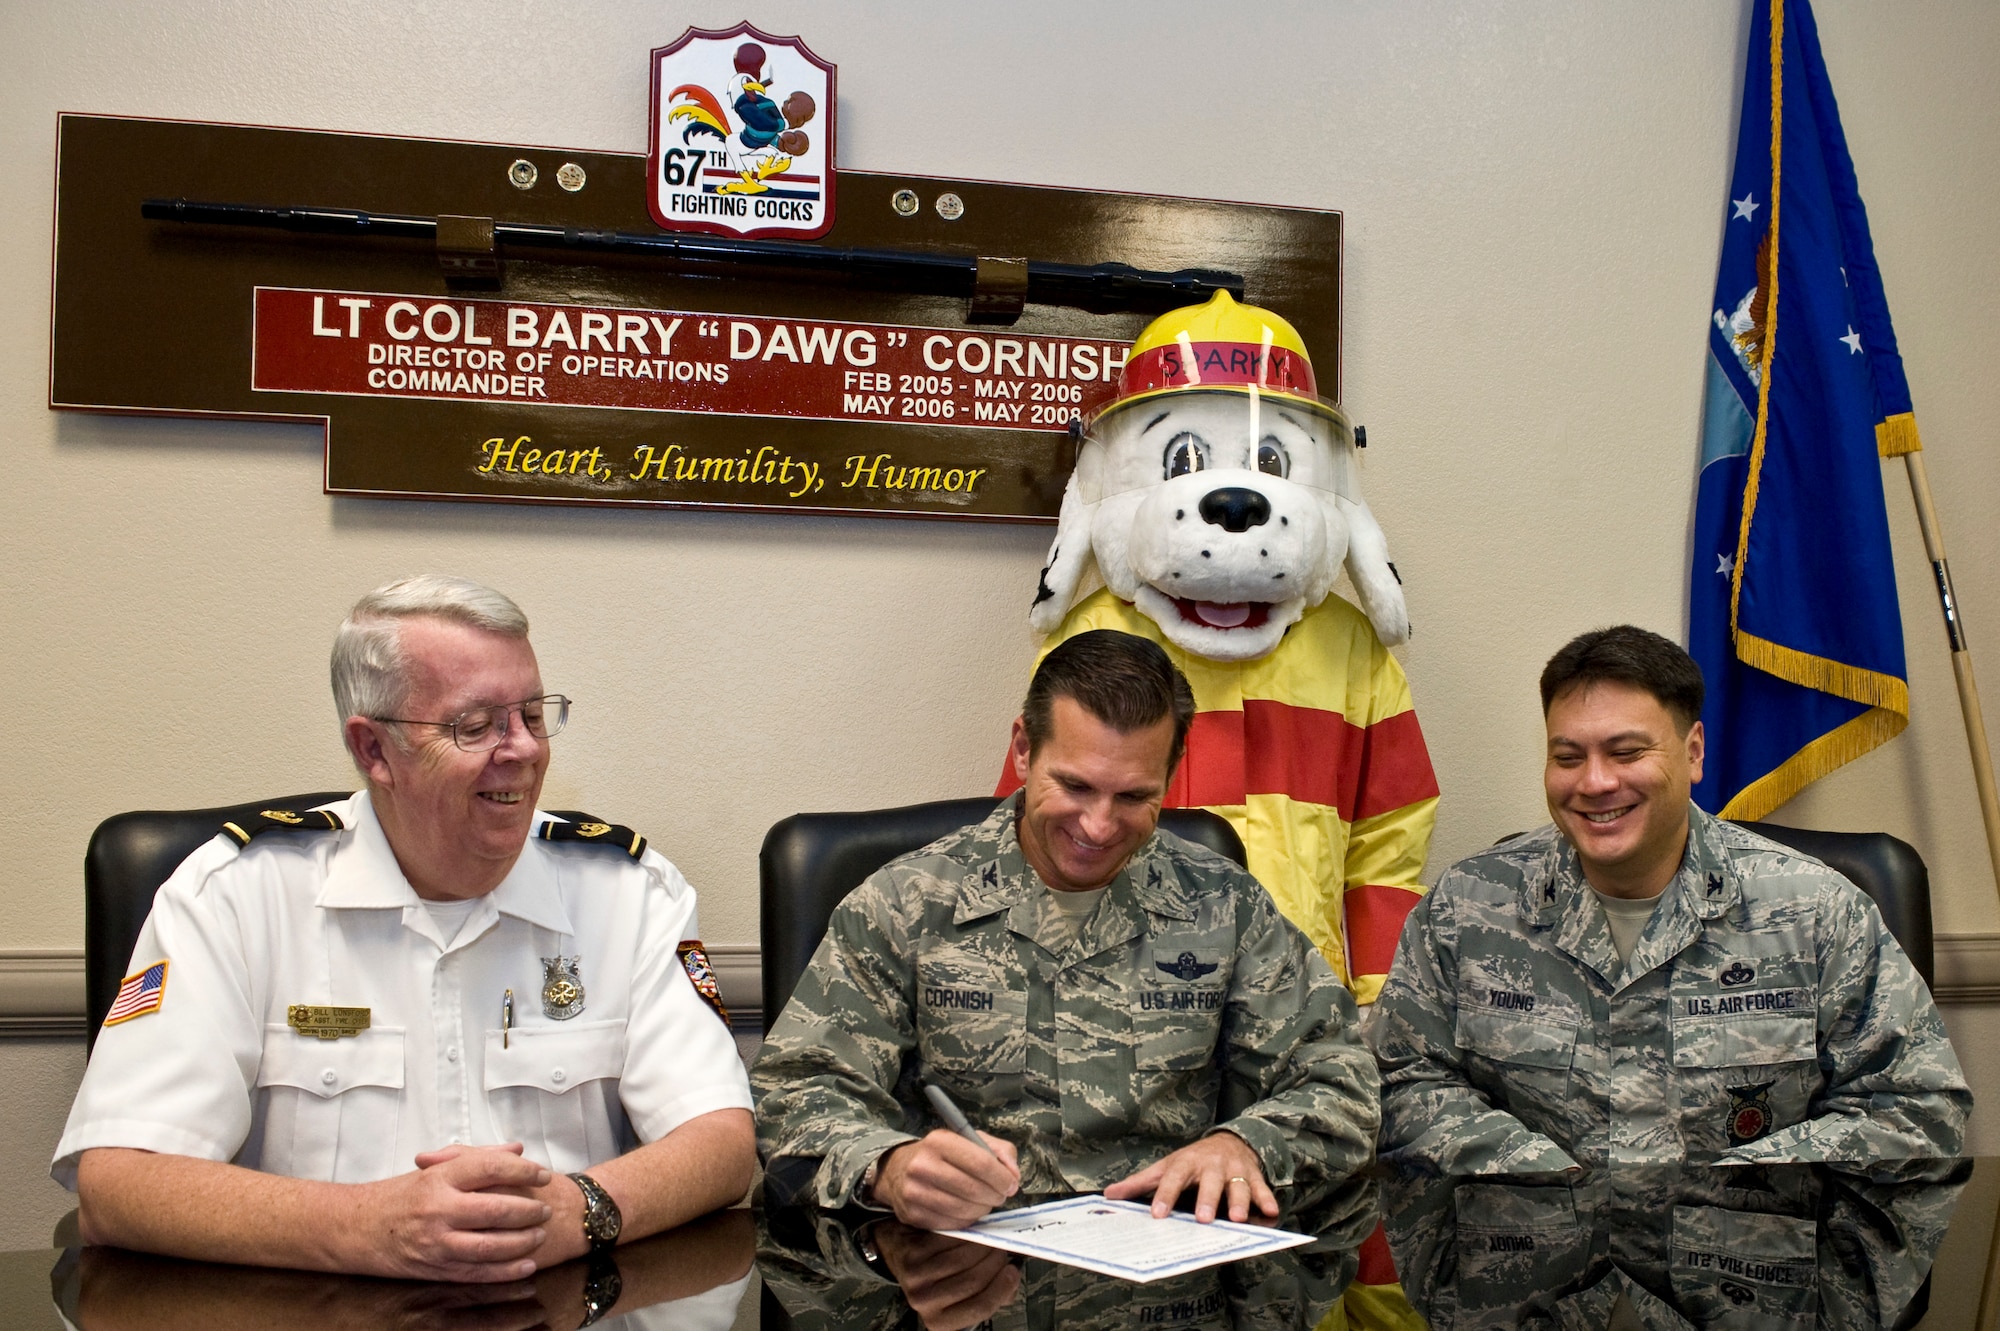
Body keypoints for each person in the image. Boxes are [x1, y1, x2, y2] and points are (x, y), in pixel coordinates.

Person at [54, 575, 756, 1281]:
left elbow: (722, 1142)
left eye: (534, 715)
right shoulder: (235, 896)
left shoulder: (630, 891)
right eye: (474, 726)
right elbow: (118, 1186)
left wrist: (581, 1209)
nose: (523, 750)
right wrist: (367, 1226)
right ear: (374, 750)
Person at [751, 629, 1379, 1230]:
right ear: (1024, 749)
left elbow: (1340, 1079)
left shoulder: (1224, 906)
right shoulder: (907, 905)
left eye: (1134, 796)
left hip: (1166, 1277)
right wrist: (887, 1169)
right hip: (963, 1273)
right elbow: (795, 1091)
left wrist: (1247, 1146)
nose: (1100, 826)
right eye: (1075, 786)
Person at [1372, 625, 1970, 1172]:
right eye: (1567, 757)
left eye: (1627, 753)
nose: (1595, 782)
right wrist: (1541, 1173)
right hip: (1536, 1272)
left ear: (1693, 752)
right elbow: (1402, 1082)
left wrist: (1718, 1190)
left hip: (1747, 1274)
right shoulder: (1467, 908)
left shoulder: (1815, 912)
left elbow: (1915, 1108)